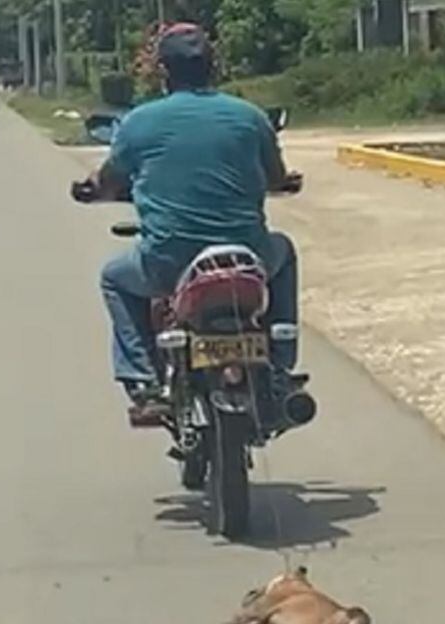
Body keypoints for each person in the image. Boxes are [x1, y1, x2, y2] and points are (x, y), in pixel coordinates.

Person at [76, 23, 300, 423]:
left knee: (114, 276)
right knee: (284, 250)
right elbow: (276, 177)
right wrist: (282, 184)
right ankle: (280, 368)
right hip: (248, 260)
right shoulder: (248, 117)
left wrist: (91, 190)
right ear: (213, 68)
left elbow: (107, 181)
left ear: (163, 72)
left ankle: (144, 382)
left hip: (169, 264)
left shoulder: (138, 123)